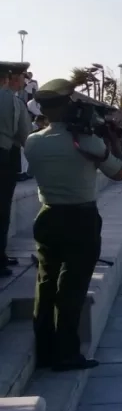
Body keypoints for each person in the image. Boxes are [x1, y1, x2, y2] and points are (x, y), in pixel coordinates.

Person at [26, 78, 122, 371]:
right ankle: (67, 353)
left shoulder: (33, 142)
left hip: (47, 216)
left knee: (46, 284)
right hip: (80, 220)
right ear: (68, 105)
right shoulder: (87, 142)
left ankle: (44, 350)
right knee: (71, 289)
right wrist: (113, 141)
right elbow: (119, 173)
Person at [0, 61, 32, 276]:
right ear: (10, 78)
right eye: (22, 77)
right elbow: (26, 137)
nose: (23, 81)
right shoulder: (13, 102)